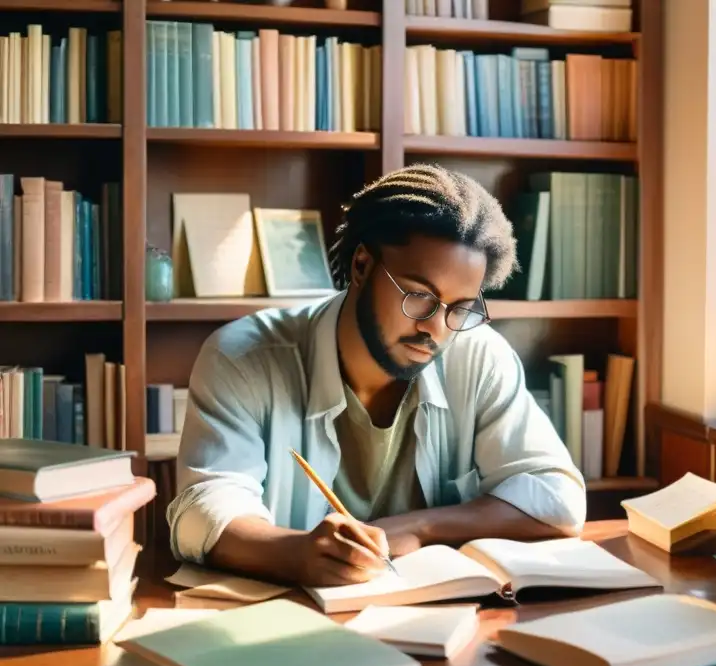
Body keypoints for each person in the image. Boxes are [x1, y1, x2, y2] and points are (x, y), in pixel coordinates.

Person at [166, 164, 586, 587]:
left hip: (433, 623)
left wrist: (418, 528)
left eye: (460, 308)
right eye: (420, 296)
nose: (436, 328)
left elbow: (557, 497)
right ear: (362, 265)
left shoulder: (478, 355)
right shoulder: (244, 357)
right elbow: (204, 510)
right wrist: (297, 553)